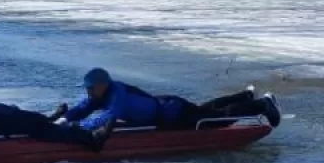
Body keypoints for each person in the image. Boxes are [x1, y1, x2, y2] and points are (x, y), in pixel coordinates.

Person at [56, 67, 281, 134]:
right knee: (208, 110)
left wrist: (79, 128)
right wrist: (65, 119)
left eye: (90, 88)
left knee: (215, 119)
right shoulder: (99, 95)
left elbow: (108, 116)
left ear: (102, 85)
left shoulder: (117, 94)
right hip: (168, 106)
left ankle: (263, 105)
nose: (88, 93)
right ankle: (246, 96)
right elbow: (83, 108)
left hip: (171, 114)